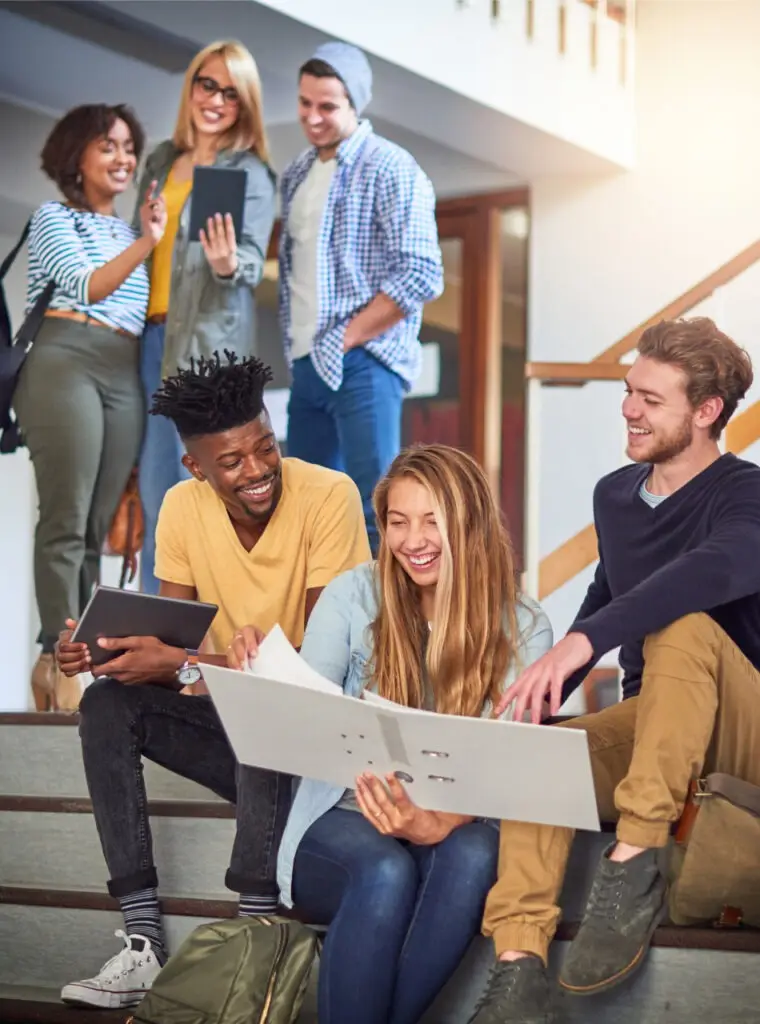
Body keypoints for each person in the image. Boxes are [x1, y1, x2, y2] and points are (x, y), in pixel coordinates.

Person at [55, 352, 371, 1009]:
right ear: (196, 467)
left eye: (265, 447)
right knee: (111, 705)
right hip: (242, 731)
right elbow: (175, 654)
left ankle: (254, 931)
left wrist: (184, 665)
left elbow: (317, 675)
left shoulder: (330, 496)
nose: (256, 470)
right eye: (231, 462)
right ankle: (143, 942)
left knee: (264, 703)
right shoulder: (180, 508)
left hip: (318, 747)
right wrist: (110, 653)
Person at [469, 317, 760, 1024]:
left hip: (742, 729)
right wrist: (550, 680)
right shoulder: (615, 496)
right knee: (541, 750)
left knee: (685, 623)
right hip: (654, 725)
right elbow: (611, 591)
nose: (628, 408)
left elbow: (707, 571)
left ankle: (632, 861)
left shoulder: (745, 494)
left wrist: (585, 640)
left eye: (650, 399)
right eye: (629, 391)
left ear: (706, 412)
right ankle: (518, 970)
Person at [226, 444, 552, 1024]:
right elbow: (304, 708)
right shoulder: (354, 594)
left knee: (476, 849)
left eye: (433, 521)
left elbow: (510, 763)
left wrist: (434, 822)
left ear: (469, 524)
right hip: (342, 820)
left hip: (449, 825)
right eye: (397, 523)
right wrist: (257, 668)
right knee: (385, 870)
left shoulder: (525, 626)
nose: (412, 540)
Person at [15, 103, 167, 713]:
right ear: (76, 155)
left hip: (121, 366)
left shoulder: (133, 234)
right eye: (108, 145)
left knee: (97, 525)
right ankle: (60, 656)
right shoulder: (54, 217)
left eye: (129, 147)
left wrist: (151, 240)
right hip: (64, 356)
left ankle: (79, 653)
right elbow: (88, 286)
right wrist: (150, 242)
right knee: (66, 517)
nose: (123, 158)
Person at [279, 41, 444, 554]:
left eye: (327, 106)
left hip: (364, 362)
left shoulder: (391, 167)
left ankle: (388, 635)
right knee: (305, 517)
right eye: (305, 103)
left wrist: (348, 337)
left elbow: (422, 272)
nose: (312, 116)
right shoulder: (296, 174)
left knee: (380, 512)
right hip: (306, 364)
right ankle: (319, 635)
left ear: (356, 103)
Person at [135, 39, 277, 594]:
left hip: (207, 349)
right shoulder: (161, 161)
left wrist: (228, 261)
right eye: (206, 84)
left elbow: (246, 258)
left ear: (245, 105)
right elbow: (140, 245)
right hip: (150, 338)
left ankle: (199, 641)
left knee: (195, 492)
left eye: (230, 93)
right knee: (155, 492)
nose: (215, 99)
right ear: (191, 86)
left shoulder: (250, 172)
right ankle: (148, 640)